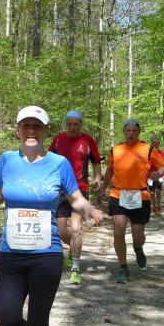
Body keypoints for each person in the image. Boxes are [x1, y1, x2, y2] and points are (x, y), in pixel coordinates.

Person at [0, 106, 103, 326]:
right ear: (18, 130)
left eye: (37, 126)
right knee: (8, 320)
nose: (31, 130)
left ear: (47, 131)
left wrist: (90, 209)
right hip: (12, 252)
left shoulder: (59, 163)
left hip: (46, 253)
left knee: (38, 318)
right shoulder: (7, 160)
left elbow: (75, 198)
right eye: (26, 125)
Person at [100, 119, 164, 284]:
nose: (131, 133)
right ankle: (123, 268)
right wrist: (103, 187)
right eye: (128, 130)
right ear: (124, 132)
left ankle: (138, 248)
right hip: (118, 195)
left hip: (140, 196)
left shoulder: (148, 149)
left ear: (139, 132)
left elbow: (162, 165)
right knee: (118, 231)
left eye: (134, 131)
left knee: (138, 235)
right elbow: (110, 170)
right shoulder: (115, 150)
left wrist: (158, 173)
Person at [48, 109, 102, 285]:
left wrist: (97, 178)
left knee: (77, 228)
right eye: (70, 124)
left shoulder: (87, 141)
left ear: (80, 124)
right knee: (62, 231)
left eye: (76, 124)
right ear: (66, 124)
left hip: (80, 189)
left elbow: (96, 162)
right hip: (60, 191)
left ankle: (76, 269)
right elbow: (48, 161)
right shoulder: (58, 140)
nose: (73, 127)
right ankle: (73, 248)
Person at [147, 135, 164, 215]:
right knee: (151, 192)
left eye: (157, 143)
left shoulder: (162, 153)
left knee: (158, 191)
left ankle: (158, 206)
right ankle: (154, 207)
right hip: (150, 175)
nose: (155, 144)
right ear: (151, 143)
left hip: (159, 175)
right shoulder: (148, 153)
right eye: (154, 143)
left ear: (159, 144)